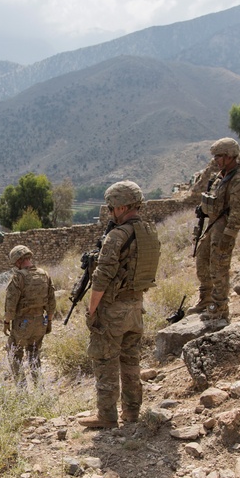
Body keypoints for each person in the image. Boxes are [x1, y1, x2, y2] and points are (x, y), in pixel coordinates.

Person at [79, 181, 161, 429]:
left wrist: (92, 311)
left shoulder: (116, 236)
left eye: (112, 207)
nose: (109, 212)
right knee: (131, 362)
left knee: (105, 362)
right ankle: (132, 412)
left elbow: (101, 279)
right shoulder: (148, 232)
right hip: (136, 308)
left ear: (123, 207)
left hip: (112, 311)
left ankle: (106, 416)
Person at [188, 138, 240, 322]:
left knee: (219, 268)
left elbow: (239, 211)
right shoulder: (222, 176)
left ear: (230, 156)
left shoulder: (239, 179)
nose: (216, 160)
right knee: (202, 261)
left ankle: (219, 307)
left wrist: (229, 235)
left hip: (224, 228)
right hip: (213, 225)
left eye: (219, 156)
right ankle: (206, 299)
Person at [3, 245, 56, 387]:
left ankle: (22, 393)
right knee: (34, 354)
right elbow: (52, 301)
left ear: (18, 261)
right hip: (40, 322)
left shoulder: (18, 277)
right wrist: (49, 321)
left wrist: (7, 322)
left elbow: (11, 304)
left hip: (23, 323)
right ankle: (40, 389)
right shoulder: (44, 274)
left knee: (14, 353)